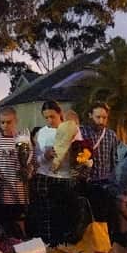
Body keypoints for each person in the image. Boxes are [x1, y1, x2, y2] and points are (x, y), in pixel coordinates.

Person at [31, 101, 79, 245]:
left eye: (52, 117)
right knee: (46, 217)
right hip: (45, 177)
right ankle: (46, 246)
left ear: (60, 114)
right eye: (46, 118)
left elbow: (81, 152)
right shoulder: (42, 133)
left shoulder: (73, 129)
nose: (50, 121)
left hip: (66, 178)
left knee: (65, 217)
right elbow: (36, 159)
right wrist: (45, 156)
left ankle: (63, 248)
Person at [0, 107, 31, 237]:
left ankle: (22, 241)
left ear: (16, 121)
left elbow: (30, 161)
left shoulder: (24, 139)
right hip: (2, 189)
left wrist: (27, 170)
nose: (5, 125)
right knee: (4, 221)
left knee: (20, 219)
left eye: (9, 122)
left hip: (19, 188)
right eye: (2, 122)